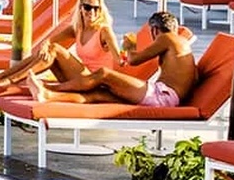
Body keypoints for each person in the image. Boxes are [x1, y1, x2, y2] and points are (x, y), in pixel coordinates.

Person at [24, 10, 196, 107]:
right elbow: (193, 77)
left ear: (155, 30)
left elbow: (134, 60)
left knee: (103, 74)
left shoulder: (167, 38)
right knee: (98, 94)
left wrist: (130, 46)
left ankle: (53, 87)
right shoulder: (182, 46)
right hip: (165, 97)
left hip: (162, 96)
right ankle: (47, 95)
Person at [0, 0, 124, 87]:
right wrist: (44, 45)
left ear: (101, 10)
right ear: (81, 9)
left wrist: (128, 51)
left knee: (54, 49)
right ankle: (1, 76)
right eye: (88, 7)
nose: (92, 12)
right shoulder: (77, 29)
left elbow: (118, 59)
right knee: (47, 52)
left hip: (94, 82)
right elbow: (50, 40)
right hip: (79, 80)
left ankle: (11, 80)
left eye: (96, 8)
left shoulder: (104, 31)